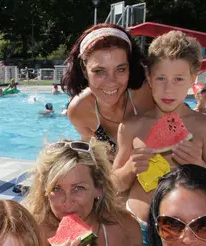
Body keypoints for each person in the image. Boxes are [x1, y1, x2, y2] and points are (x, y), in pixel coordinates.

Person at [112, 31, 206, 246]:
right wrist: (129, 168)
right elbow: (115, 185)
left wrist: (198, 165)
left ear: (193, 79)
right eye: (161, 78)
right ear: (149, 78)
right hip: (137, 228)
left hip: (186, 236)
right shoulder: (131, 126)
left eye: (178, 79)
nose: (168, 88)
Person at [63, 24, 154, 159]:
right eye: (99, 71)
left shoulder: (149, 93)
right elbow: (99, 165)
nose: (111, 82)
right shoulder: (79, 110)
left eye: (120, 69)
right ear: (84, 69)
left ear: (130, 67)